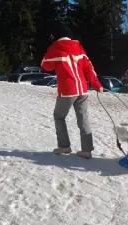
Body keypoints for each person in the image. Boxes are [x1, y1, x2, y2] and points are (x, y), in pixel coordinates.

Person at [41, 21, 103, 159]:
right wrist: (97, 84)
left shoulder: (55, 47)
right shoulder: (79, 47)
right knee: (83, 118)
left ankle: (64, 146)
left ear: (56, 36)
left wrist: (50, 48)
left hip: (68, 90)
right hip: (83, 89)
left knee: (59, 116)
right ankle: (86, 150)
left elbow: (45, 65)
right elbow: (89, 67)